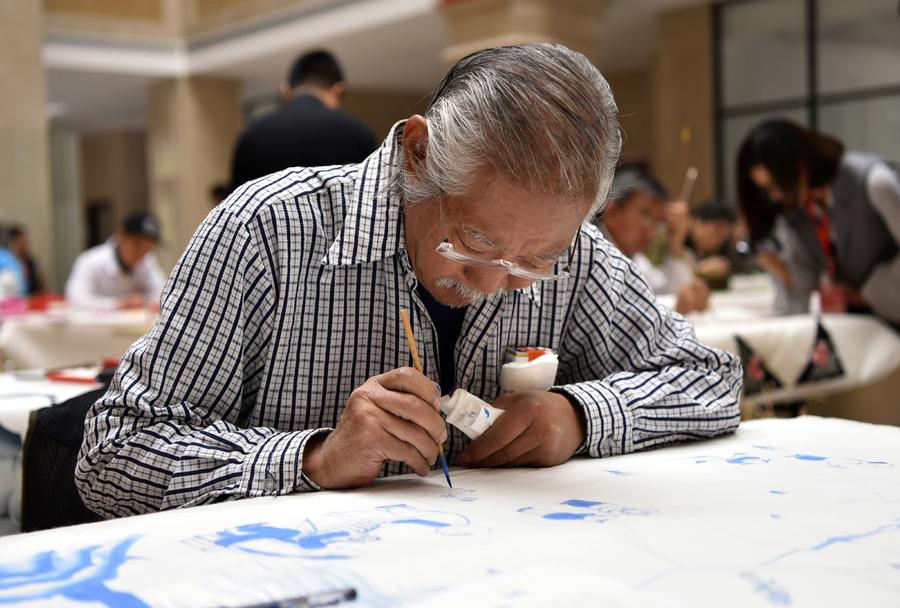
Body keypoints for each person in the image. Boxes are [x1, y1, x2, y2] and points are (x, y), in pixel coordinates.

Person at [77, 44, 742, 518]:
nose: (491, 282)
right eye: (474, 241)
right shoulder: (266, 233)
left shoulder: (577, 254)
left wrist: (578, 414)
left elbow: (708, 378)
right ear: (418, 153)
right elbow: (113, 457)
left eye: (537, 260)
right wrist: (312, 458)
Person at [737, 119, 900, 324]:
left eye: (777, 183)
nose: (776, 196)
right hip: (861, 326)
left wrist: (868, 293)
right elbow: (805, 283)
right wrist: (769, 260)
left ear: (799, 162)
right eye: (766, 190)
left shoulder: (875, 182)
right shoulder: (795, 211)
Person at [230, 49, 377, 190]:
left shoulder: (252, 134)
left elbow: (234, 203)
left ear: (286, 90)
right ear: (338, 90)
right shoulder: (357, 132)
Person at [597, 165, 710, 314]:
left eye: (658, 221)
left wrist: (675, 245)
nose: (653, 231)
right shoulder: (592, 252)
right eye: (645, 214)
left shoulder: (635, 258)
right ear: (610, 212)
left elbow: (664, 292)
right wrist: (676, 306)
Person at [65, 212, 166, 310]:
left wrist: (144, 301)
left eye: (147, 249)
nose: (141, 254)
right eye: (137, 246)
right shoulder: (90, 261)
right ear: (120, 235)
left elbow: (162, 293)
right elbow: (75, 299)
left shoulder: (147, 261)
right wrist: (117, 304)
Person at [7, 225, 45, 295]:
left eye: (27, 242)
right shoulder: (7, 263)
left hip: (33, 299)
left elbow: (40, 286)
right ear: (13, 244)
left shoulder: (32, 261)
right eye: (22, 243)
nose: (26, 246)